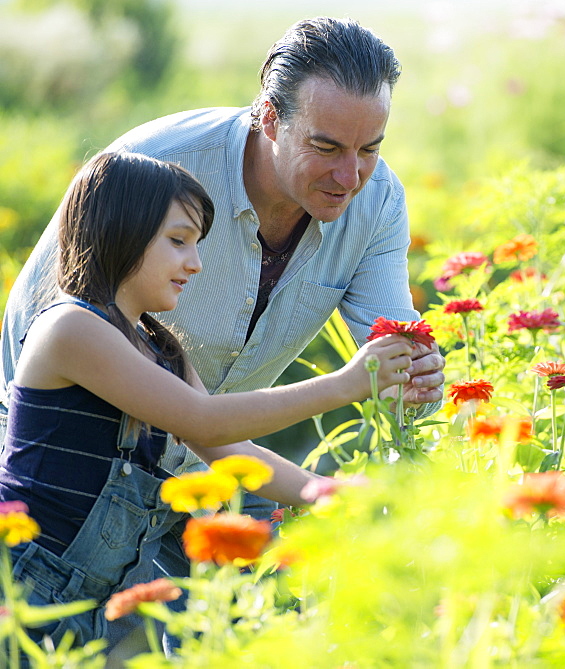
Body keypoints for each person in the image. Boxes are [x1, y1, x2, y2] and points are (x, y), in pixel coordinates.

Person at [0, 16, 444, 655]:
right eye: (180, 242)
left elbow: (215, 438)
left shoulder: (162, 346)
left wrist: (337, 490)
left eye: (370, 148)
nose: (351, 176)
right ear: (270, 117)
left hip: (136, 545)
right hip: (36, 565)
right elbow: (201, 416)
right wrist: (350, 385)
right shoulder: (79, 315)